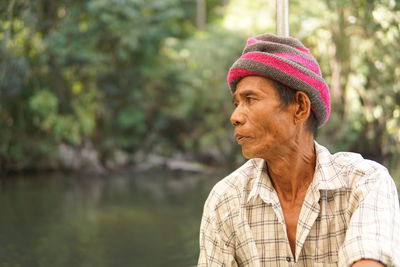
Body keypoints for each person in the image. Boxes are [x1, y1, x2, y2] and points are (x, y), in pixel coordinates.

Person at [197, 33, 400, 267]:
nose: (235, 117)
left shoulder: (364, 182)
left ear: (300, 108)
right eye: (236, 104)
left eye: (250, 99)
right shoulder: (226, 199)